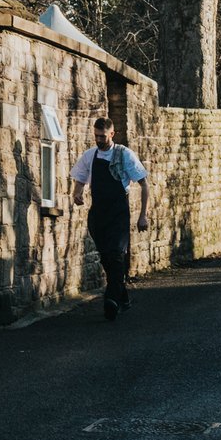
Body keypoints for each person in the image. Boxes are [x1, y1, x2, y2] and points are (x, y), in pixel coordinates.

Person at [69, 114, 150, 322]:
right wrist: (77, 193)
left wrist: (143, 216)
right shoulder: (89, 156)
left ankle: (111, 300)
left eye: (103, 136)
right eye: (96, 136)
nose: (99, 140)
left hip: (118, 212)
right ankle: (122, 296)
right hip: (98, 213)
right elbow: (80, 178)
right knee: (106, 257)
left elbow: (144, 185)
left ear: (112, 134)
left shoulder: (124, 155)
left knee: (116, 255)